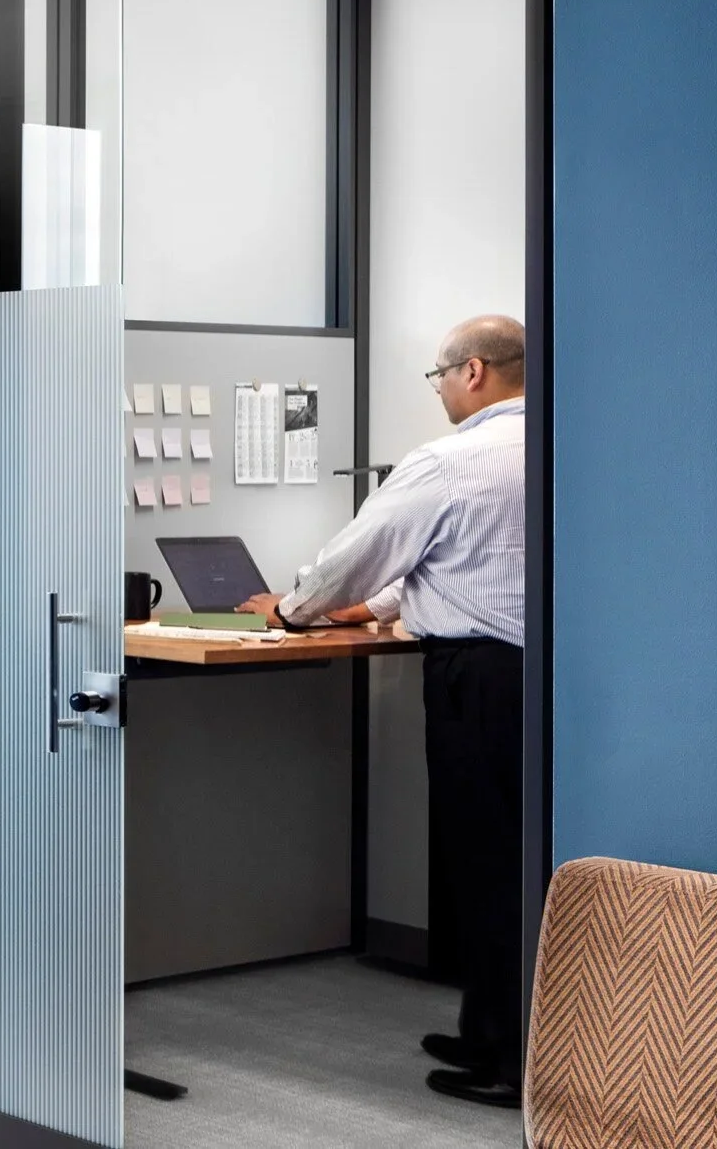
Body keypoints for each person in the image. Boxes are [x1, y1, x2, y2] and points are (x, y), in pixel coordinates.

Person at [239, 314, 526, 1110]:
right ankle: (491, 1030)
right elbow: (456, 560)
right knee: (511, 859)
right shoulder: (560, 442)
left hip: (478, 680)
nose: (437, 393)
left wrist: (295, 610)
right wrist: (365, 611)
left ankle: (506, 1059)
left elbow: (355, 553)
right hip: (538, 680)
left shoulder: (451, 459)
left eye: (437, 377)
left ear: (473, 372)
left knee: (486, 862)